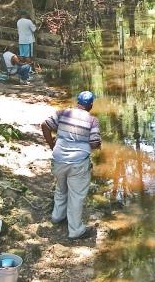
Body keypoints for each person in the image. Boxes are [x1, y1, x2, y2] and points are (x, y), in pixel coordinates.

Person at [41, 91, 101, 240]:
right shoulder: (92, 121)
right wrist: (98, 144)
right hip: (78, 164)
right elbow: (94, 143)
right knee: (76, 196)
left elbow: (45, 125)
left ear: (77, 102)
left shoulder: (63, 113)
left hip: (58, 160)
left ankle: (57, 216)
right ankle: (75, 230)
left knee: (61, 188)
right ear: (91, 105)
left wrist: (51, 144)